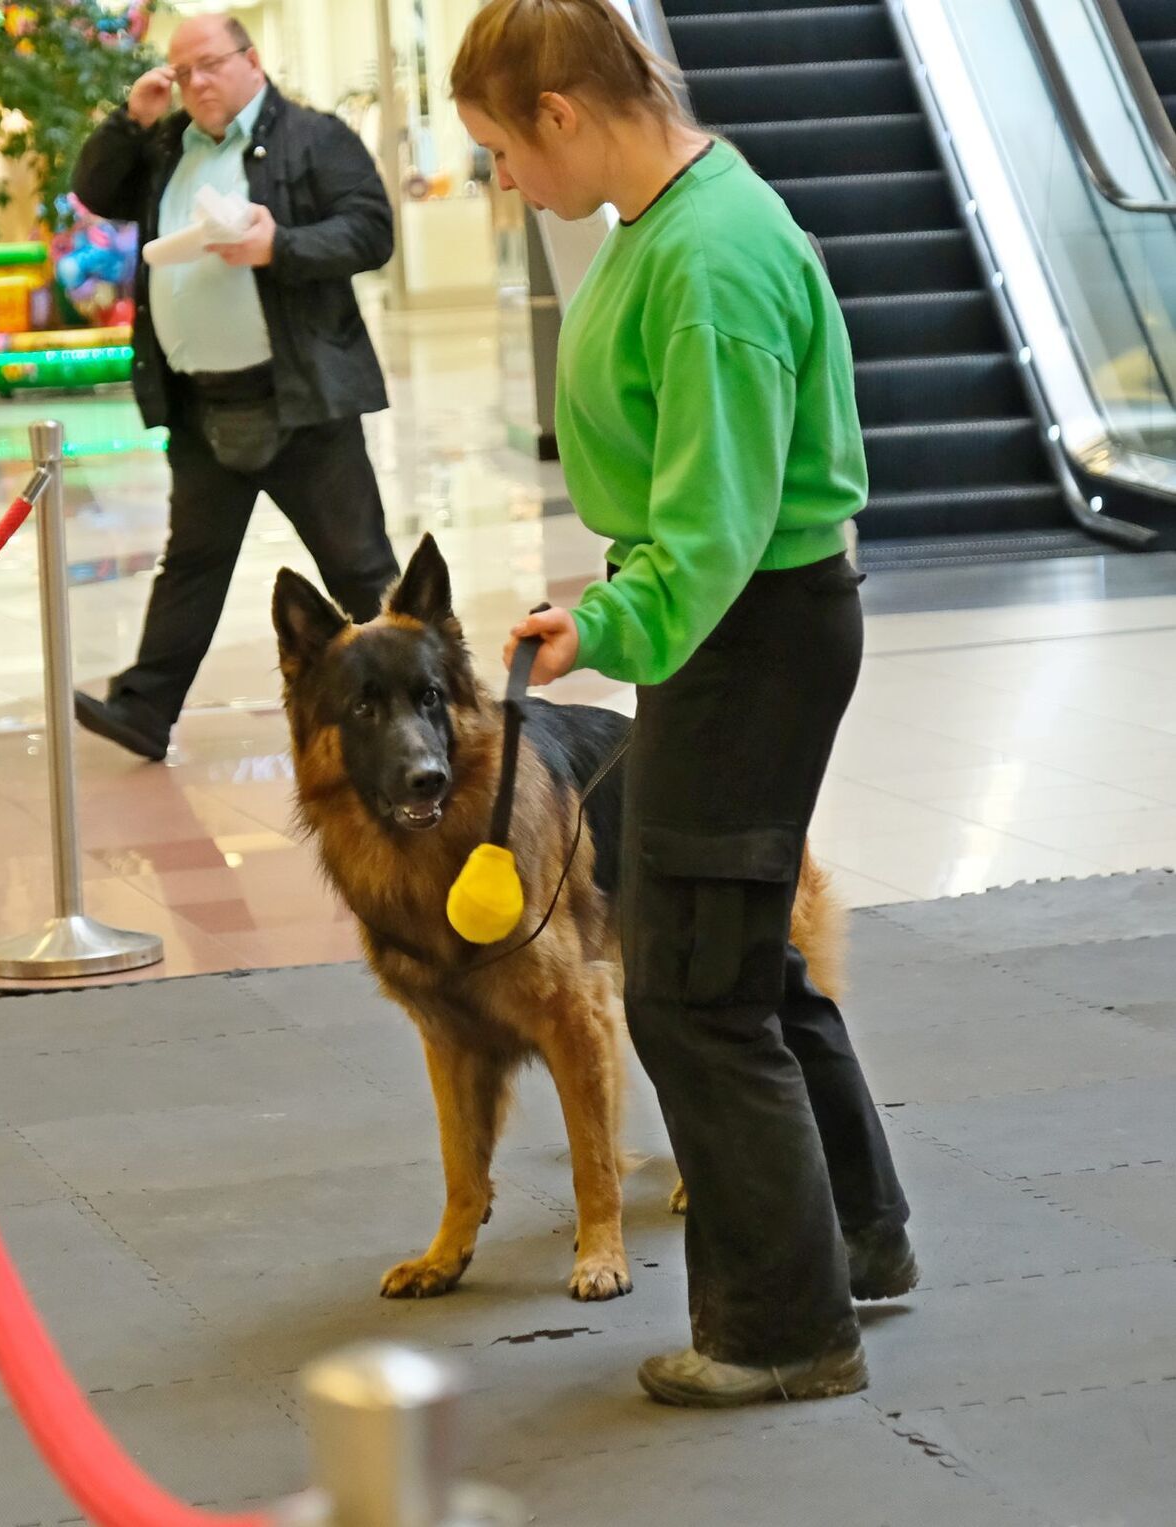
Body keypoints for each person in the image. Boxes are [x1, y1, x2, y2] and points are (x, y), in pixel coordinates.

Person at [452, 0, 916, 1408]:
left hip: (745, 632)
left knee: (694, 993)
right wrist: (618, 598)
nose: (504, 184)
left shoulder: (707, 255)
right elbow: (695, 501)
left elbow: (715, 530)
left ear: (562, 114)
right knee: (744, 956)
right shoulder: (673, 219)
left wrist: (613, 617)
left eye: (501, 152)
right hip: (734, 626)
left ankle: (786, 1328)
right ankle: (858, 1235)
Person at [71, 13, 399, 761]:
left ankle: (429, 698)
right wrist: (131, 119)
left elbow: (370, 230)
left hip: (300, 400)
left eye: (210, 65)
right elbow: (95, 190)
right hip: (201, 406)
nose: (197, 83)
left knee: (359, 566)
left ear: (251, 61)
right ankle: (145, 709)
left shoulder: (313, 138)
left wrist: (278, 244)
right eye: (182, 72)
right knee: (191, 562)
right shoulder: (163, 148)